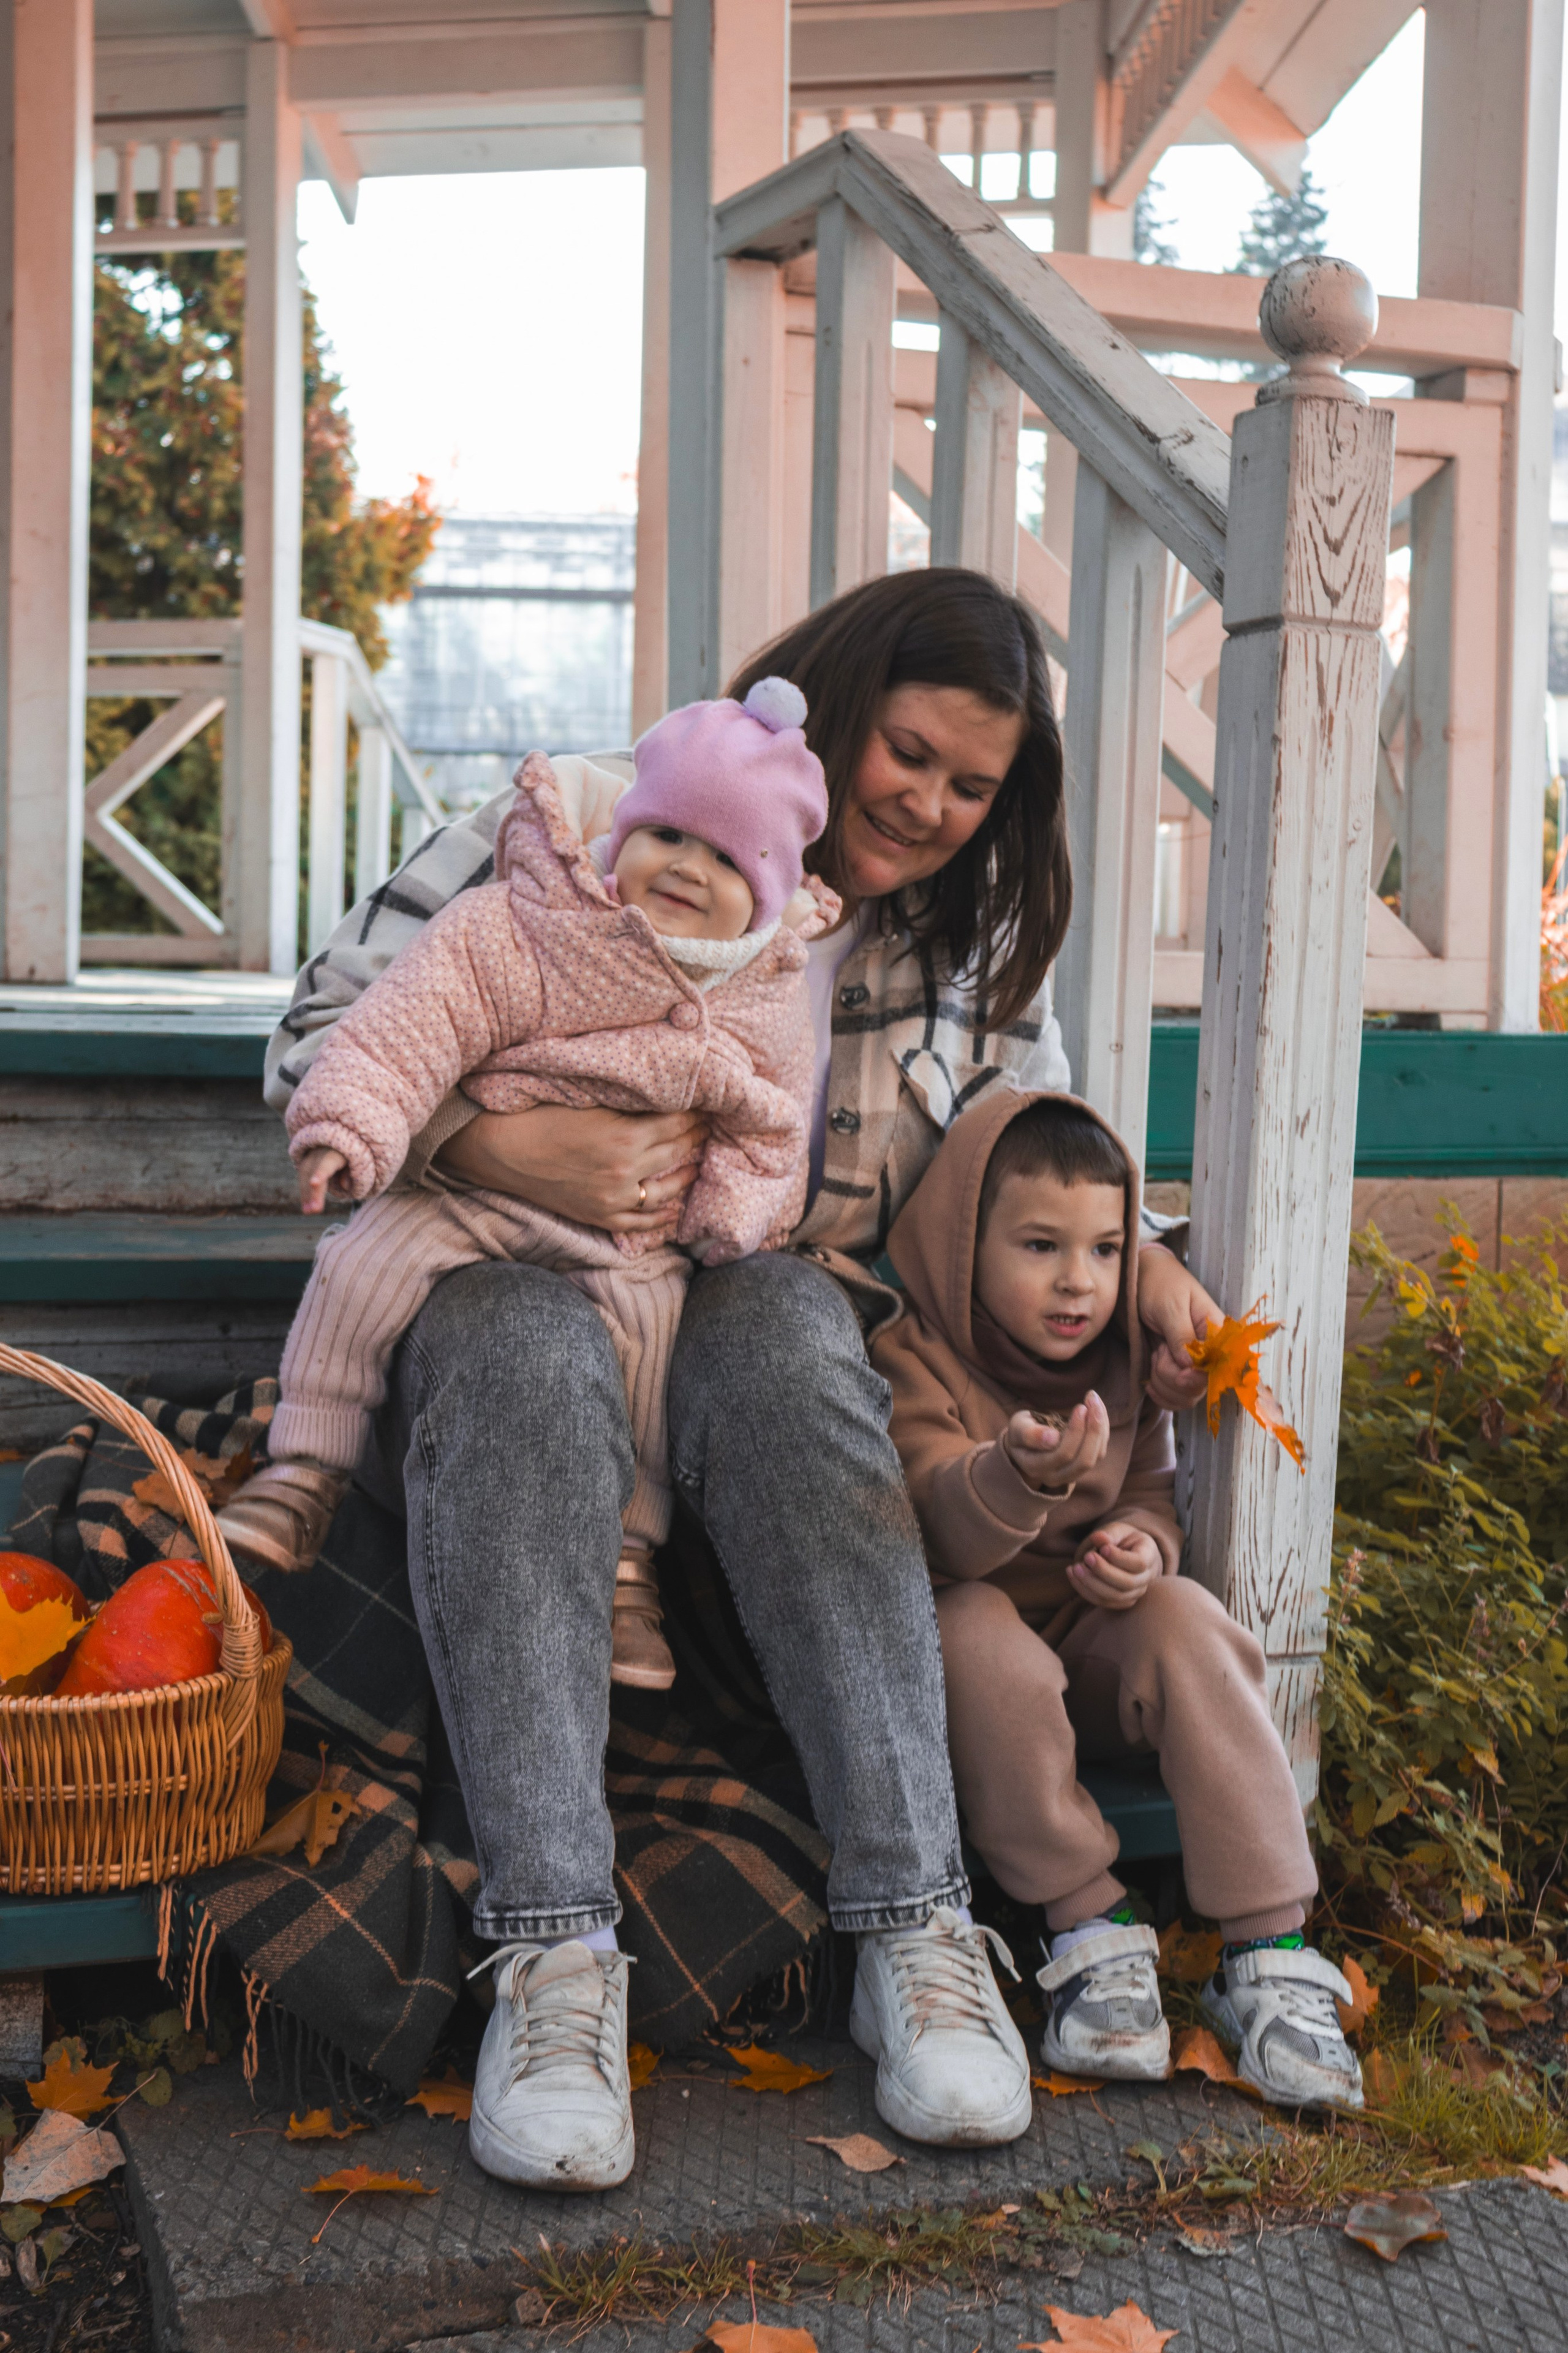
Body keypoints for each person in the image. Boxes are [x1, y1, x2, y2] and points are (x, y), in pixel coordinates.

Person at [263, 567, 1225, 2189]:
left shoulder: (958, 953)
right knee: (519, 1333)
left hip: (763, 1406)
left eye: (969, 782)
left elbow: (1025, 1178)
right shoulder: (593, 821)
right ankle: (554, 1951)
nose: (924, 802)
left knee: (789, 1327)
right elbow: (319, 1038)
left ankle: (917, 1927)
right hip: (505, 1306)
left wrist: (1146, 1258)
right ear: (834, 711)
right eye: (905, 752)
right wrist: (489, 1136)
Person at [220, 679, 836, 1696]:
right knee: (360, 1267)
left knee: (648, 1346)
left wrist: (731, 1214)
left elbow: (771, 1117)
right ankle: (305, 1467)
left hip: (623, 1238)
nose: (688, 867)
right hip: (468, 1195)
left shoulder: (761, 993)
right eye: (669, 835)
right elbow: (413, 1023)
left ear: (766, 894)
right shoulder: (529, 921)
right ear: (624, 831)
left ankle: (628, 1568)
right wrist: (349, 1126)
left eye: (727, 858)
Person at [871, 1087, 1364, 2110]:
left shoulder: (1121, 1360)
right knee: (967, 1631)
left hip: (1093, 1648)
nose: (1078, 1282)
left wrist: (1143, 1547)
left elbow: (1147, 1492)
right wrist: (1018, 1477)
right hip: (988, 1678)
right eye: (1042, 1245)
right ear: (965, 1243)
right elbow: (934, 1524)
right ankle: (1087, 1925)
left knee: (1185, 1615)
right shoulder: (913, 1358)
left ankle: (1268, 1946)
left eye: (1106, 1251)